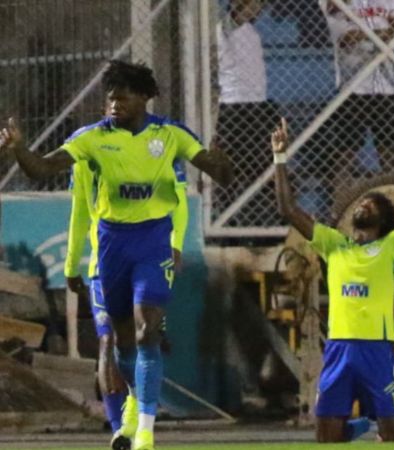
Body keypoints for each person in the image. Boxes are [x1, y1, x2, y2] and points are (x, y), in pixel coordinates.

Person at [0, 60, 233, 450]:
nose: (114, 102)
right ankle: (126, 412)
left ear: (145, 97)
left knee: (147, 330)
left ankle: (144, 430)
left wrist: (223, 161)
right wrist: (20, 148)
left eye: (123, 95)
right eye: (109, 97)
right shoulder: (91, 139)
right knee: (121, 342)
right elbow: (43, 170)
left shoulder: (169, 135)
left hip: (152, 242)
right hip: (110, 247)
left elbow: (217, 173)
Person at [271, 117, 394, 442]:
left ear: (384, 220)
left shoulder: (393, 246)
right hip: (337, 349)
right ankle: (364, 428)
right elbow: (288, 209)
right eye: (362, 201)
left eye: (373, 203)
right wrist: (280, 157)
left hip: (375, 350)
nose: (364, 202)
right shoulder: (334, 244)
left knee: (392, 436)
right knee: (326, 437)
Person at [63, 136, 189, 450]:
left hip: (150, 256)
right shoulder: (84, 153)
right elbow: (80, 210)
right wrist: (71, 265)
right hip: (104, 264)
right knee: (110, 342)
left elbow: (180, 202)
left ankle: (139, 423)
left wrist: (176, 245)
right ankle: (121, 431)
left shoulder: (161, 144)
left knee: (146, 336)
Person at [318, 0, 394, 176]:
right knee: (344, 157)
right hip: (352, 87)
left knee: (392, 155)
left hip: (387, 85)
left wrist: (385, 31)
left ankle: (393, 200)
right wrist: (379, 33)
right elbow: (346, 38)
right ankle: (342, 201)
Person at [215, 0, 280, 226]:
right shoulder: (224, 27)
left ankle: (262, 223)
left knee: (262, 170)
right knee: (232, 171)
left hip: (258, 107)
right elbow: (243, 14)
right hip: (235, 107)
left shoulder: (252, 31)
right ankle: (227, 224)